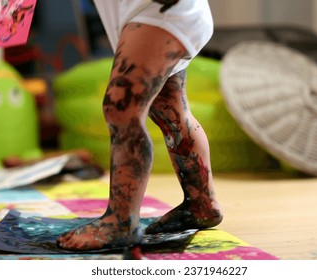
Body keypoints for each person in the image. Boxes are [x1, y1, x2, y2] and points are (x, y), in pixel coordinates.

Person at [57, 0, 222, 251]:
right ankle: (202, 204)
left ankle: (121, 222)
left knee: (122, 108)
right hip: (144, 14)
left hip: (160, 10)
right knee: (170, 109)